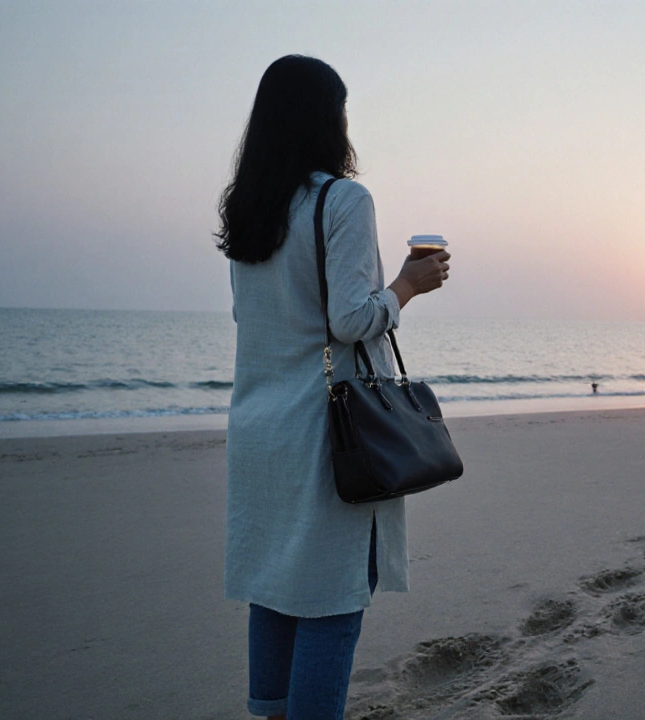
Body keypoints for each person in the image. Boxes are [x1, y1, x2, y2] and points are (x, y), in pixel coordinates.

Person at [217, 55, 451, 720]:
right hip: (325, 431)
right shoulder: (343, 199)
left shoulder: (249, 209)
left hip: (259, 429)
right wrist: (408, 285)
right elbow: (350, 320)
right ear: (328, 120)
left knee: (275, 586)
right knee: (332, 596)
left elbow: (258, 323)